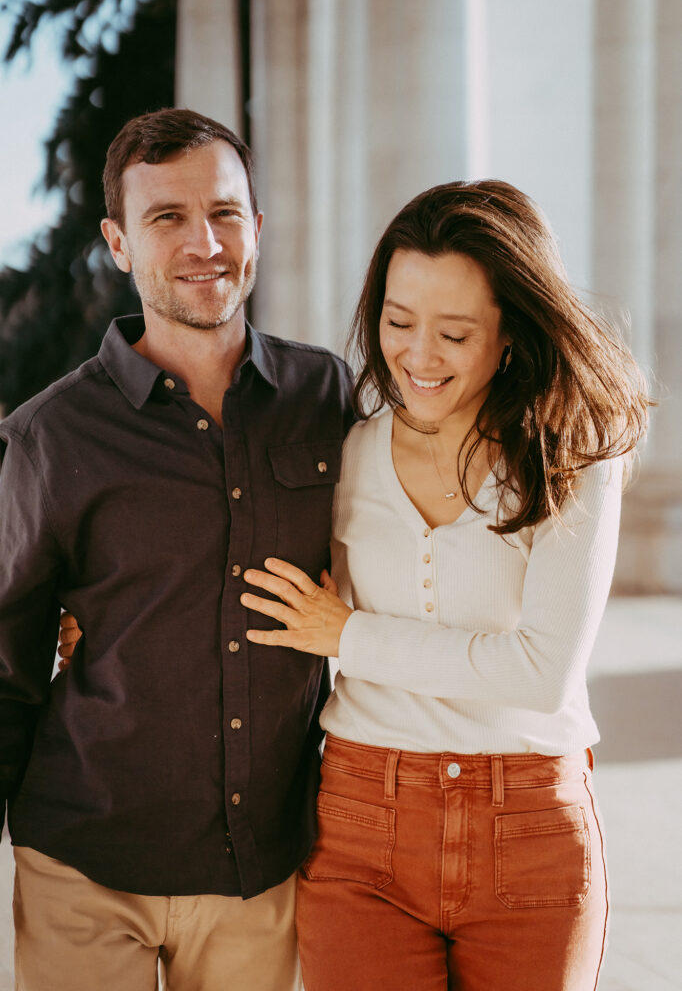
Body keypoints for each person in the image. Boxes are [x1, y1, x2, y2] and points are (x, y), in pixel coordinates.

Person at [236, 180, 651, 990]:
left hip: (530, 828)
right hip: (360, 819)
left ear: (508, 336)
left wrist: (348, 636)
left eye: (454, 333)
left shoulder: (574, 457)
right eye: (398, 324)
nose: (418, 358)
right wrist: (88, 618)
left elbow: (542, 672)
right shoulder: (343, 455)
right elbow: (235, 568)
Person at [0, 108, 354, 991]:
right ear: (119, 243)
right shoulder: (50, 434)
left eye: (226, 213)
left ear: (257, 228)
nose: (205, 242)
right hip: (86, 862)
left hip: (259, 868)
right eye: (167, 218)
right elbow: (4, 661)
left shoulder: (325, 395)